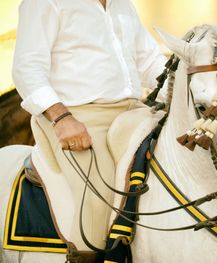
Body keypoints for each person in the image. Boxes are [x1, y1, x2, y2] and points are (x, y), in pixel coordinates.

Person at [12, 0, 166, 250]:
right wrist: (62, 118)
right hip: (75, 117)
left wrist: (190, 93)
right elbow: (27, 68)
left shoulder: (123, 4)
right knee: (98, 200)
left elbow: (149, 62)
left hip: (134, 111)